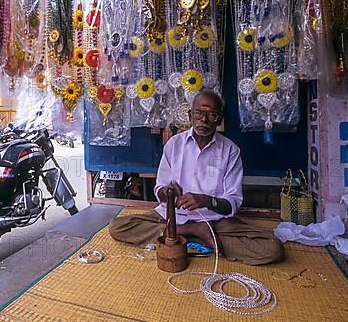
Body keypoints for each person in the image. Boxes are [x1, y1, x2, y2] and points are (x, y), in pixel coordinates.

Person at [109, 89, 284, 265]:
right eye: (199, 113)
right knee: (118, 226)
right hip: (173, 217)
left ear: (220, 120)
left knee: (272, 249)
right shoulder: (174, 144)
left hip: (215, 221)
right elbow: (160, 190)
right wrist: (167, 192)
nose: (204, 120)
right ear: (190, 115)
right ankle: (192, 231)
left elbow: (232, 202)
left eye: (212, 115)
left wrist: (207, 201)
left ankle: (181, 237)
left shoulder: (230, 151)